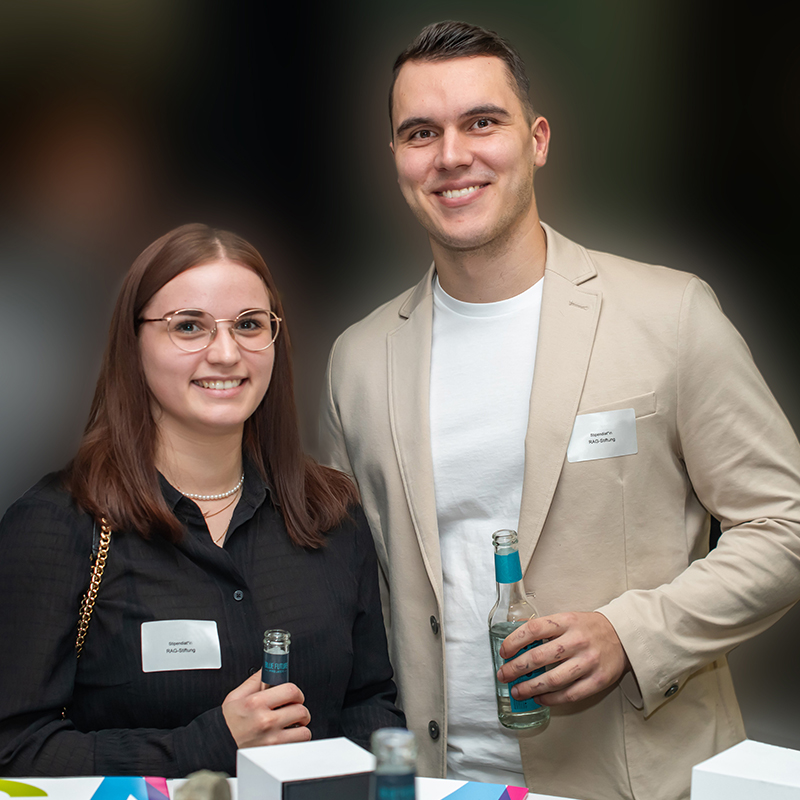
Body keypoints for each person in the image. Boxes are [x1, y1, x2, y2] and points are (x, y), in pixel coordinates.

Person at [318, 20, 800, 800]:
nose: (451, 155)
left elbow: (786, 525)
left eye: (482, 122)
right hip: (442, 784)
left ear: (538, 140)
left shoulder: (669, 314)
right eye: (420, 132)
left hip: (643, 781)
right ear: (396, 161)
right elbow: (344, 589)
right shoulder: (358, 361)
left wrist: (631, 634)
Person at [0, 223, 403, 777]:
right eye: (188, 326)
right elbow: (16, 751)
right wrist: (210, 743)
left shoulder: (331, 515)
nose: (225, 352)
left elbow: (369, 704)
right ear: (133, 343)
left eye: (248, 325)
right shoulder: (55, 529)